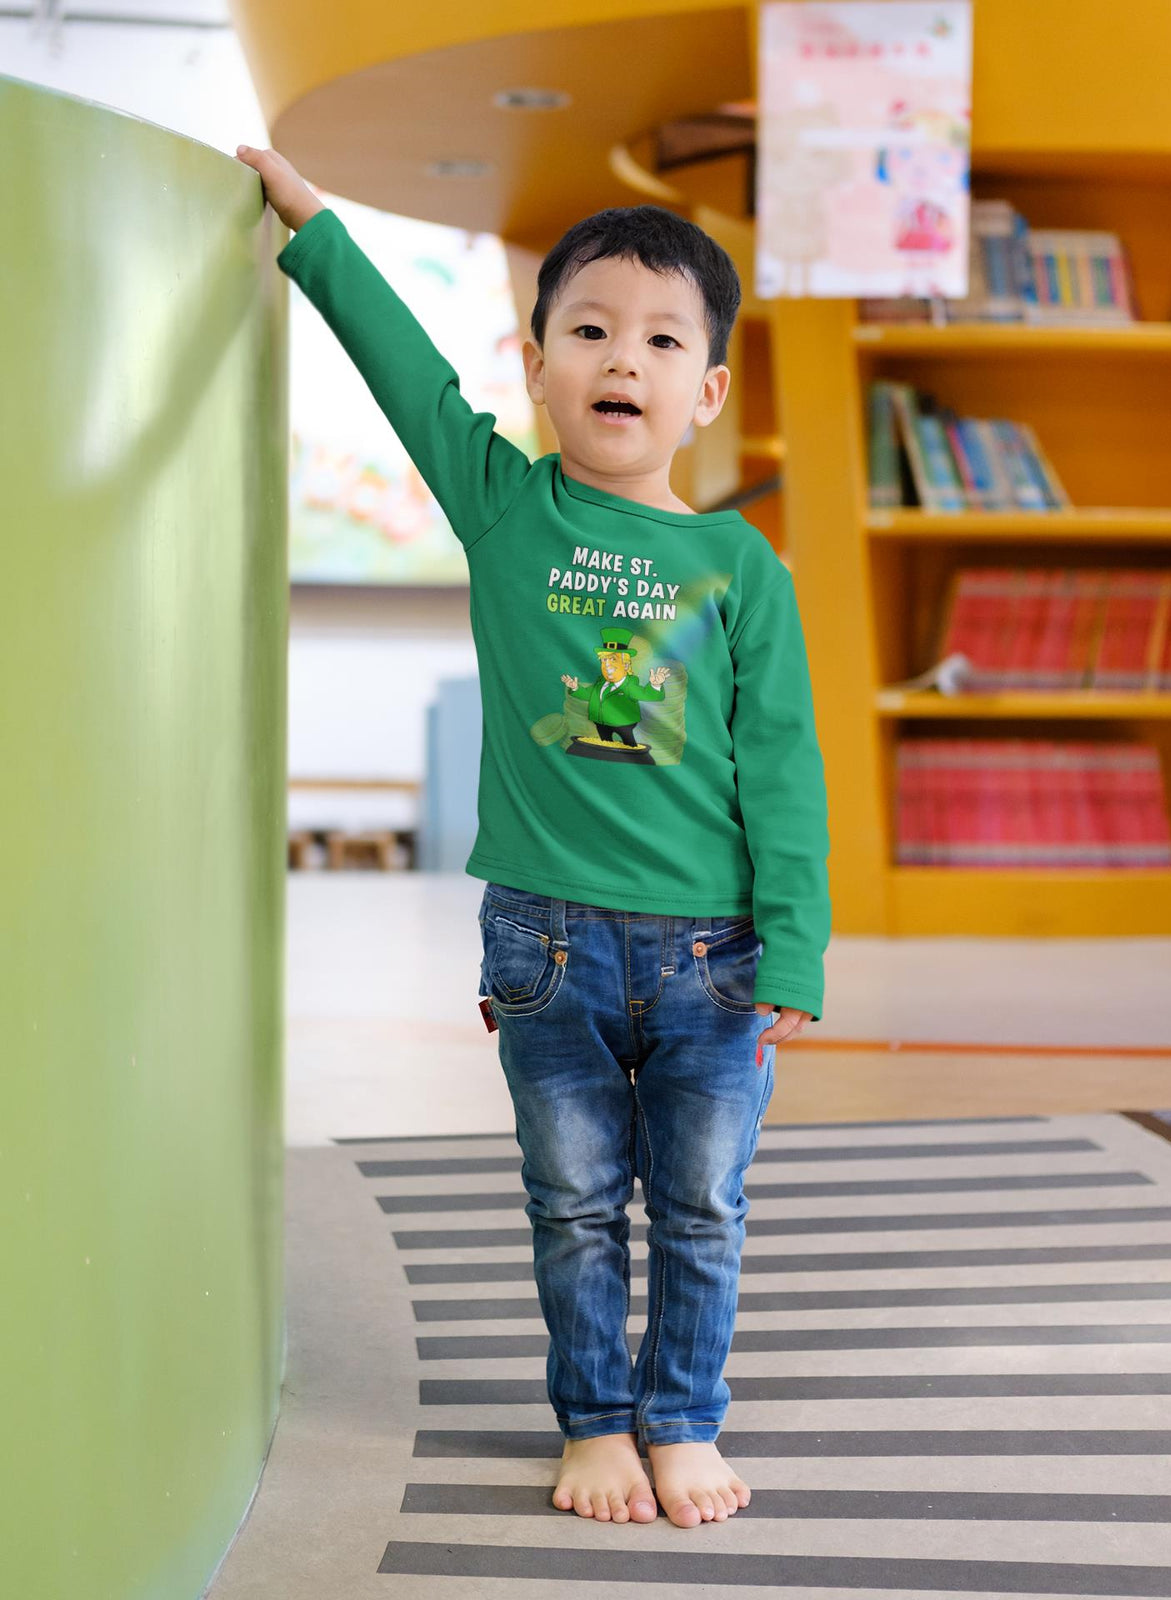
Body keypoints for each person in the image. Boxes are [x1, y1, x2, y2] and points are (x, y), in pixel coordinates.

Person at [235, 143, 831, 1530]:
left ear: (709, 390)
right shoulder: (507, 507)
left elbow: (787, 771)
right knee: (569, 1206)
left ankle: (680, 1418)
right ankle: (593, 1424)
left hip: (716, 955)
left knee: (698, 1210)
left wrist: (794, 945)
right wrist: (313, 222)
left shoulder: (744, 567)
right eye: (591, 331)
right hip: (547, 944)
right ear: (542, 365)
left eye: (661, 338)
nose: (624, 358)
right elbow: (404, 376)